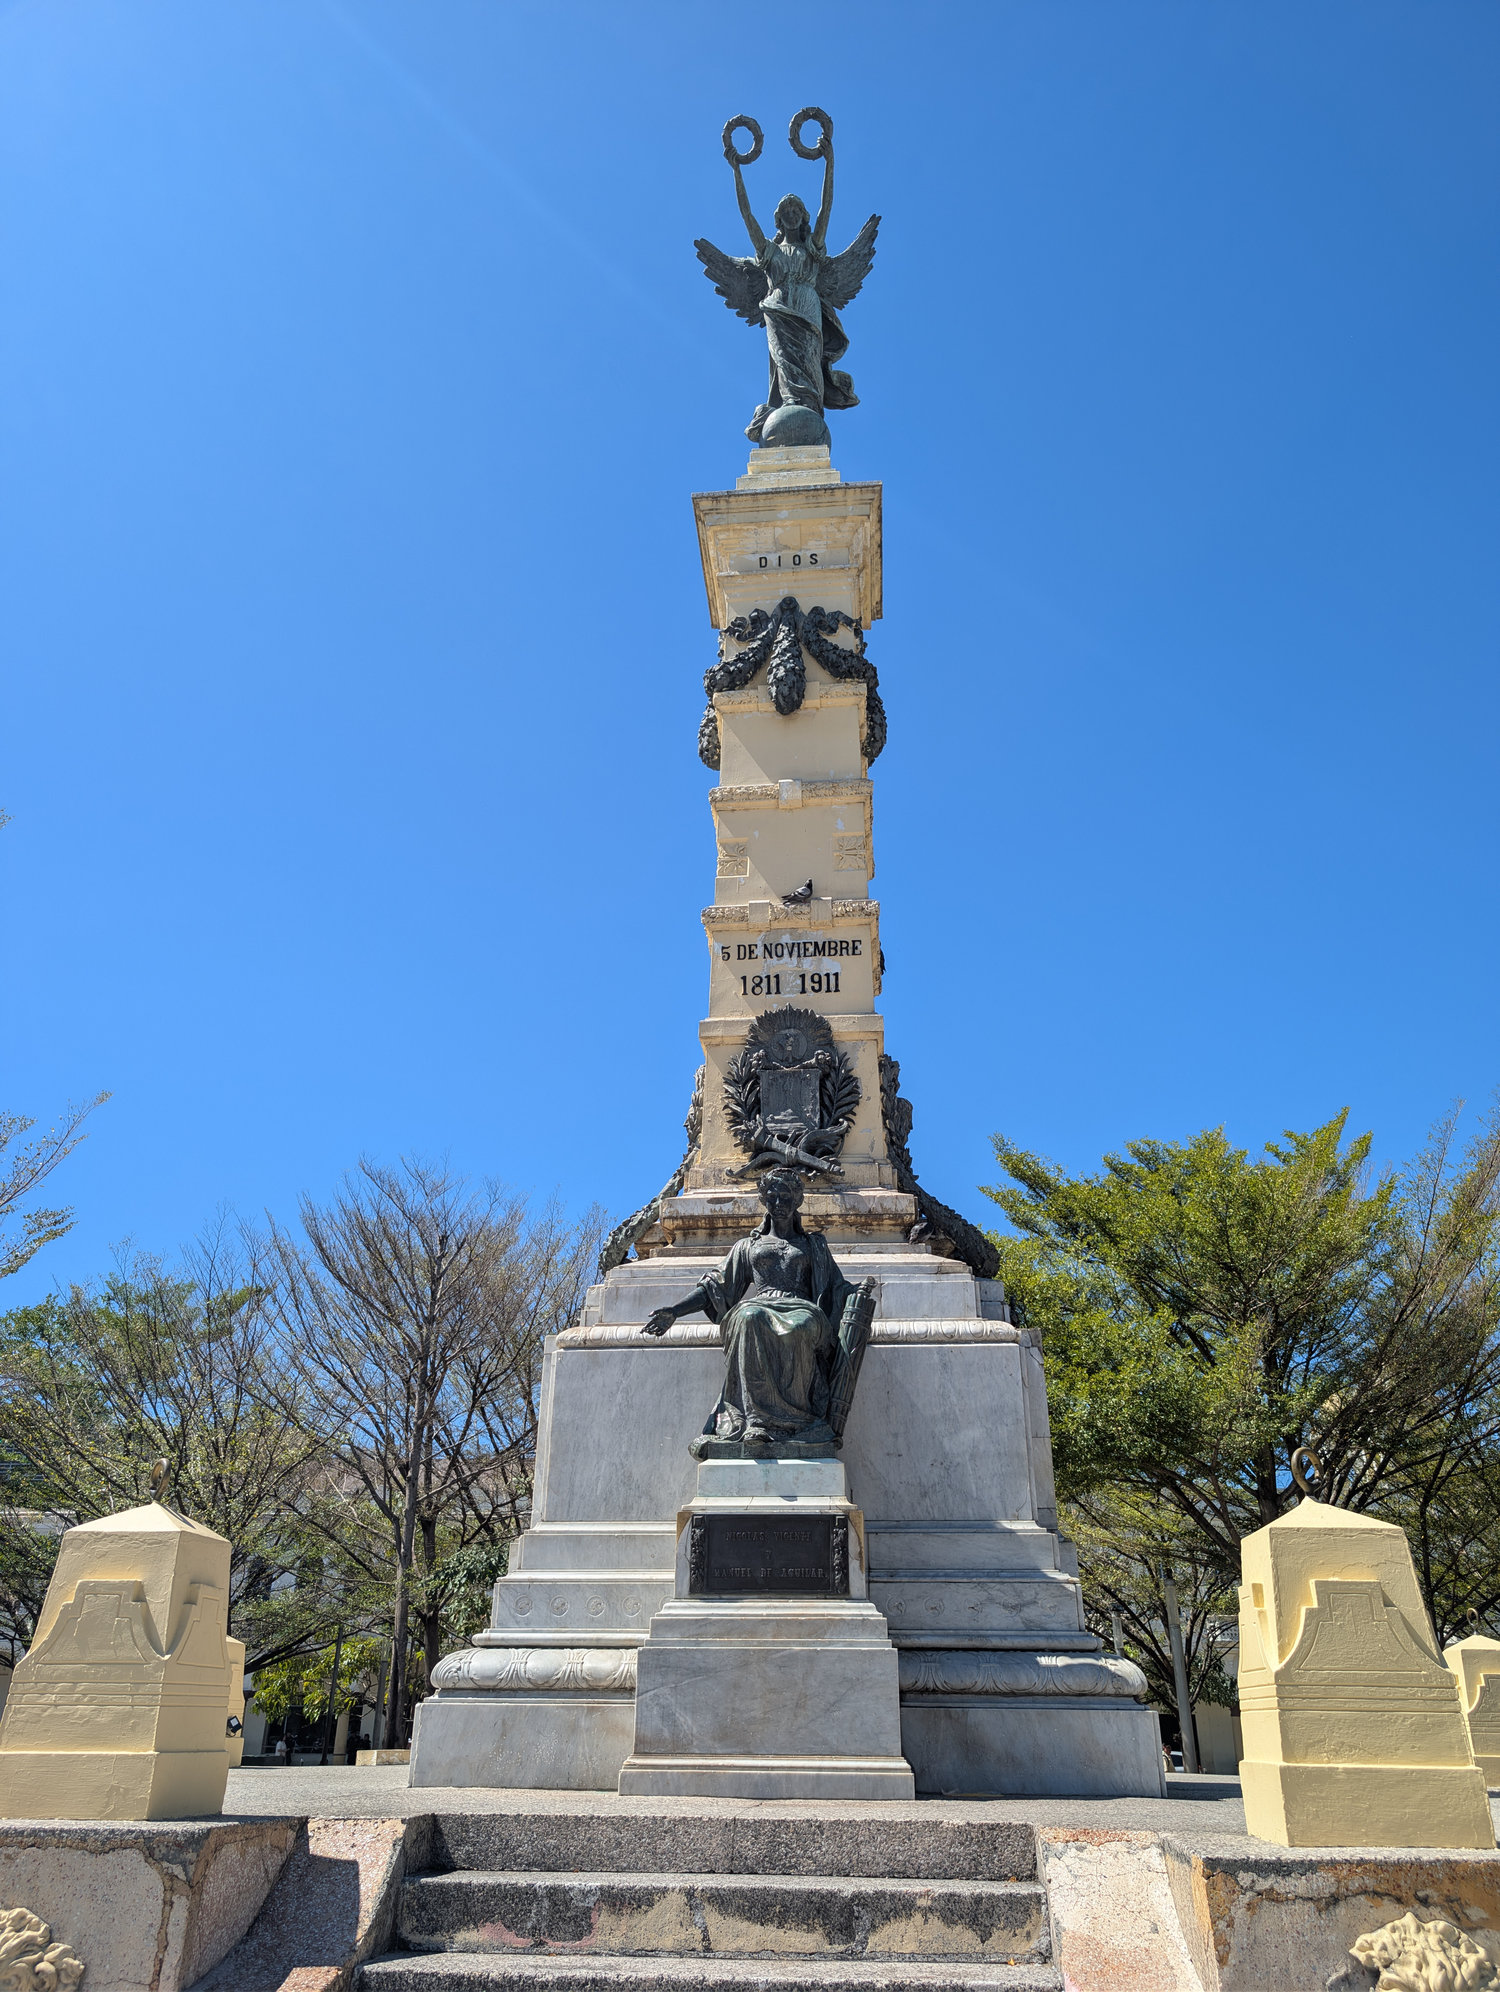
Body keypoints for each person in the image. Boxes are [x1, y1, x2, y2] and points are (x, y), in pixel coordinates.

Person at [643, 1169, 864, 1453]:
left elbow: (836, 1286)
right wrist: (675, 1311)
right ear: (763, 1200)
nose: (778, 1202)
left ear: (798, 1200)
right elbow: (715, 1286)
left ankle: (798, 1420)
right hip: (760, 1304)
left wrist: (856, 1292)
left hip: (802, 1307)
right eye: (772, 1196)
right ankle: (756, 1421)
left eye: (785, 1196)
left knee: (802, 1326)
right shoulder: (748, 1246)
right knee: (748, 1317)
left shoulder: (814, 1245)